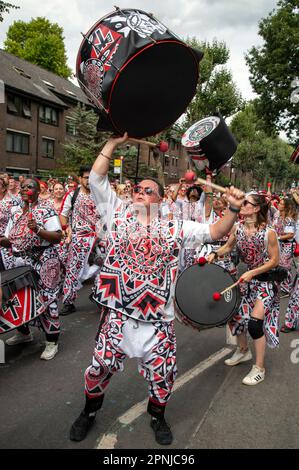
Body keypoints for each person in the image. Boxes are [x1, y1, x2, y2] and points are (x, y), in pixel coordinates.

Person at [69, 133, 245, 445]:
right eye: (137, 189)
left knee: (163, 375)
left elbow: (216, 230)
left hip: (158, 323)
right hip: (117, 317)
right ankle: (89, 413)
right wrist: (112, 144)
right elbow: (97, 177)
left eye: (148, 191)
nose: (139, 193)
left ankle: (157, 417)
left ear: (161, 199)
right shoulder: (116, 212)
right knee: (99, 369)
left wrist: (232, 209)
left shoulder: (177, 227)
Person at [207, 192, 280, 385]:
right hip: (247, 281)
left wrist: (253, 272)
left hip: (265, 282)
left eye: (246, 203)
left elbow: (274, 261)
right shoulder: (238, 228)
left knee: (255, 324)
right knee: (235, 316)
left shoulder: (268, 232)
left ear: (256, 208)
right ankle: (243, 350)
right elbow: (228, 247)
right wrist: (215, 254)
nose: (243, 204)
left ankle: (259, 368)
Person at [0, 178, 62, 360]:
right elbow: (8, 240)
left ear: (37, 191)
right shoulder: (15, 212)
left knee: (47, 300)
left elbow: (57, 237)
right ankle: (24, 333)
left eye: (30, 186)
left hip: (45, 261)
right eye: (23, 186)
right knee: (18, 298)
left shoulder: (46, 211)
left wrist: (38, 231)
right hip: (20, 262)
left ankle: (52, 342)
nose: (26, 189)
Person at [59, 165, 102, 315]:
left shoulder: (100, 195)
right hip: (79, 239)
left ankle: (98, 295)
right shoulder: (72, 194)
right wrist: (66, 229)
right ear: (80, 178)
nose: (89, 181)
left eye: (92, 178)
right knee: (73, 270)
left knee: (104, 268)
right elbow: (63, 214)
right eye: (86, 177)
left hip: (98, 239)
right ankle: (68, 302)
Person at [272, 197, 297, 296]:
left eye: (281, 204)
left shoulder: (289, 219)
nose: (279, 204)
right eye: (279, 203)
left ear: (286, 207)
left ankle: (287, 289)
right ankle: (280, 285)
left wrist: (278, 237)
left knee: (285, 266)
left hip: (287, 244)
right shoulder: (276, 215)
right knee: (277, 264)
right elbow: (273, 227)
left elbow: (290, 234)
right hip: (278, 243)